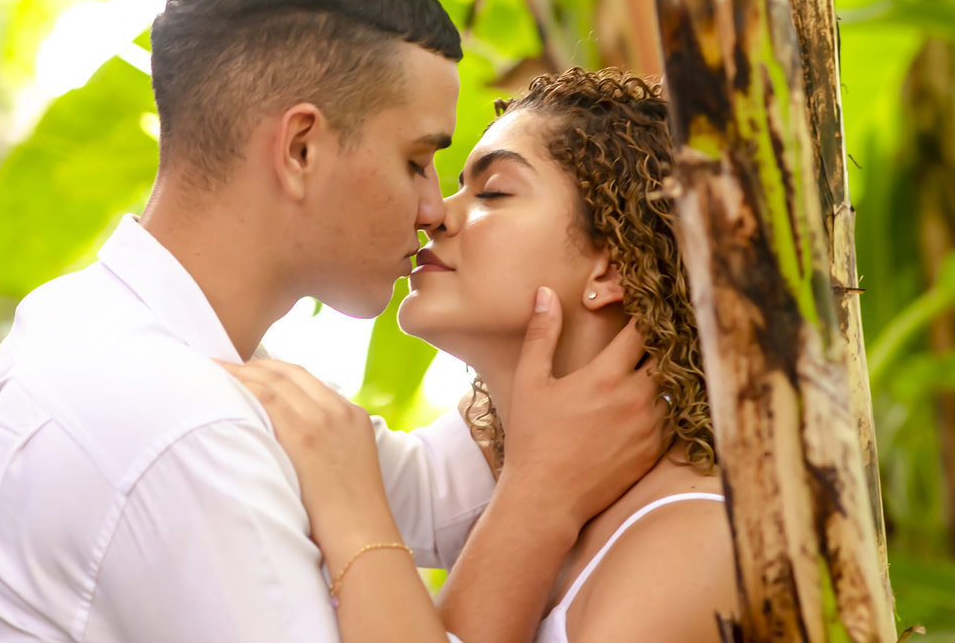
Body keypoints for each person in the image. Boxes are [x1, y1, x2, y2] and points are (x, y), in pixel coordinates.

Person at [0, 0, 664, 642]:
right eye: (417, 160)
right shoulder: (181, 429)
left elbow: (430, 493)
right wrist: (540, 497)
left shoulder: (101, 328)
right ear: (301, 150)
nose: (432, 208)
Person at [224, 68, 739, 643]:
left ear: (612, 266)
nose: (436, 213)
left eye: (492, 192)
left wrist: (354, 515)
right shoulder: (501, 460)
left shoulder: (695, 541)